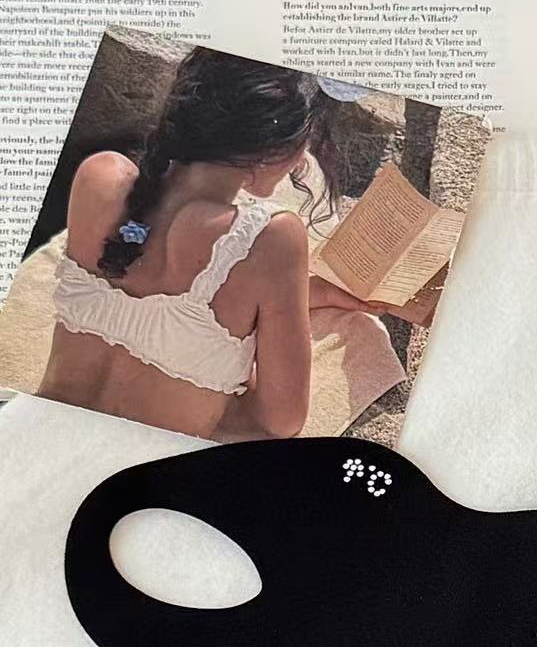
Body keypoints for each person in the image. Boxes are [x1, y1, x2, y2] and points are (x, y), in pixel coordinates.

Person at [39, 47, 363, 439]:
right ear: (272, 149)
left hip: (34, 440)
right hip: (135, 470)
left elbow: (147, 302)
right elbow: (280, 421)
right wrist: (217, 384)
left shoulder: (100, 176)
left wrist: (308, 294)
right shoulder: (270, 239)